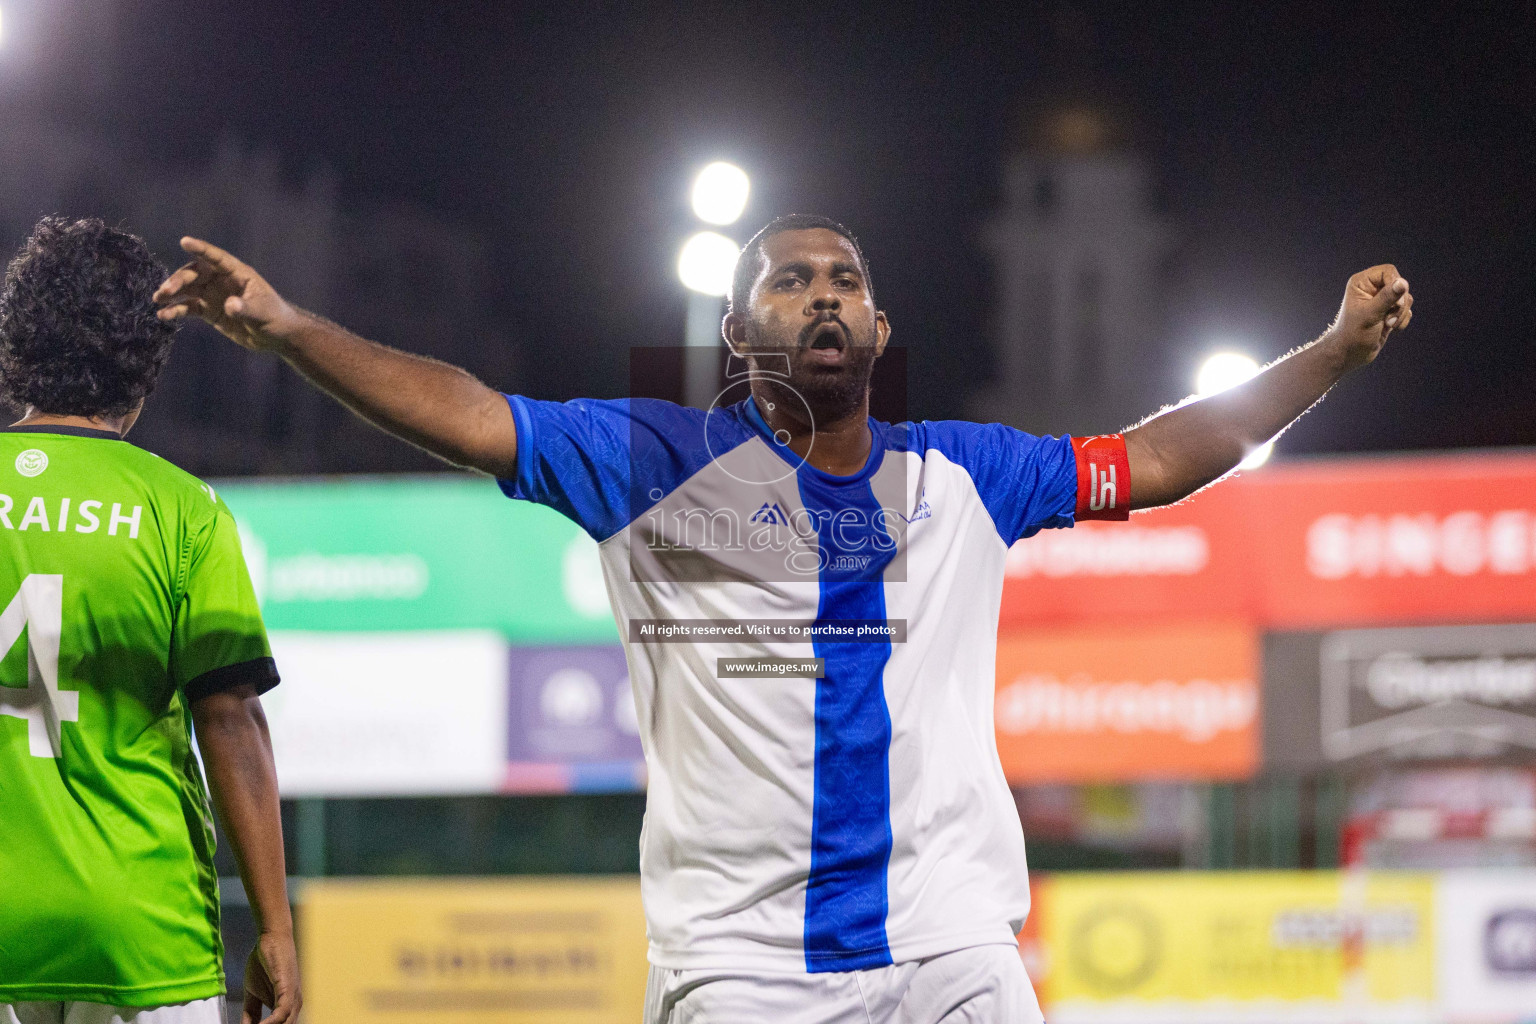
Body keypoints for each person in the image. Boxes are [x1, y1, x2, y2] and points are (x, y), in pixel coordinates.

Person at [154, 214, 1411, 1022]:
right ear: (737, 328)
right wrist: (289, 330)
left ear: (878, 328)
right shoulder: (649, 460)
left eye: (846, 280)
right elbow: (468, 411)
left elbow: (1157, 458)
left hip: (949, 954)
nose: (822, 295)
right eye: (791, 279)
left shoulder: (969, 473)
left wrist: (1329, 357)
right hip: (739, 972)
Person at [0, 218, 301, 1024]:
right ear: (146, 364)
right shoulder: (184, 511)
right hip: (142, 929)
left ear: (17, 345)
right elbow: (229, 720)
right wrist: (274, 925)